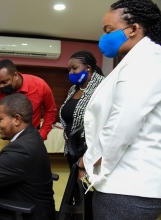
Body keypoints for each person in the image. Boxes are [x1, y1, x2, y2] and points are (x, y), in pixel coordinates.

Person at [76, 0, 161, 219]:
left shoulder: (149, 59)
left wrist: (87, 160)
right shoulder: (139, 59)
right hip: (129, 180)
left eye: (109, 30)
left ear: (134, 29)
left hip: (133, 183)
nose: (104, 37)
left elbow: (121, 123)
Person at [59, 50, 105, 220]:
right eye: (69, 70)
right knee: (76, 194)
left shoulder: (102, 87)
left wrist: (88, 156)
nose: (70, 73)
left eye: (74, 69)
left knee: (89, 195)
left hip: (90, 153)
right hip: (72, 149)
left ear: (88, 67)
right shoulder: (74, 88)